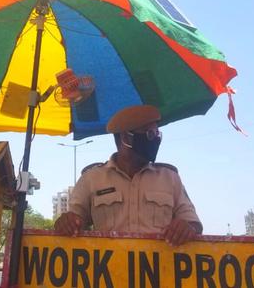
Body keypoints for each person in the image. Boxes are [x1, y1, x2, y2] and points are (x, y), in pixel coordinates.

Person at [54, 105, 202, 246]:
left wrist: (187, 228)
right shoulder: (91, 179)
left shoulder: (170, 179)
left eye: (157, 134)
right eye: (149, 133)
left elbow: (193, 223)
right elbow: (74, 221)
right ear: (126, 138)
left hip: (159, 270)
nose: (156, 140)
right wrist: (67, 222)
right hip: (108, 270)